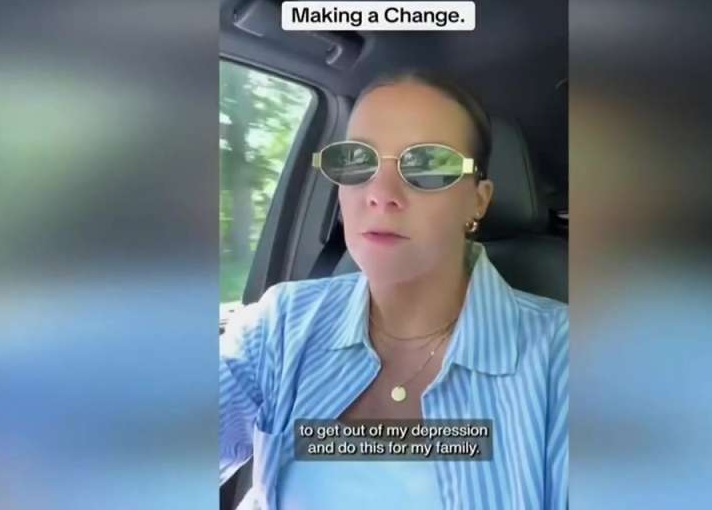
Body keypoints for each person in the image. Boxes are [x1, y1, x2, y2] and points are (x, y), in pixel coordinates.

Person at [220, 70, 569, 509]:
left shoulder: (564, 359)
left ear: (477, 199)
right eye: (357, 160)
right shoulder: (280, 325)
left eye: (427, 164)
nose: (381, 193)